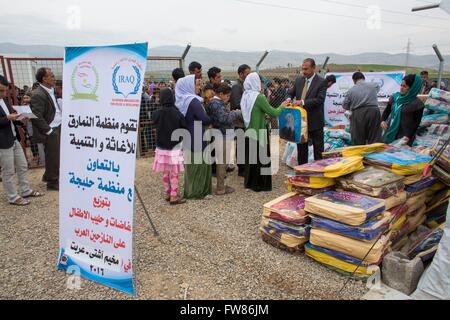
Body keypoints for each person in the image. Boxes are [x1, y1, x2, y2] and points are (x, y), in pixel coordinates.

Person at [0, 75, 43, 205]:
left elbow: (11, 118)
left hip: (13, 138)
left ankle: (25, 190)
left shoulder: (4, 101)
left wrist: (20, 120)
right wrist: (8, 118)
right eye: (1, 90)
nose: (4, 93)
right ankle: (13, 197)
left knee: (23, 165)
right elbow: (6, 119)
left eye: (5, 90)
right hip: (2, 142)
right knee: (8, 171)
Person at [241, 72, 287, 192]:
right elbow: (274, 112)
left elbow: (253, 112)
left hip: (249, 132)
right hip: (259, 132)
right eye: (261, 82)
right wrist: (282, 105)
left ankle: (250, 183)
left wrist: (263, 115)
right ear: (256, 82)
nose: (262, 84)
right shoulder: (259, 97)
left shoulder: (246, 95)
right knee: (261, 160)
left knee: (251, 160)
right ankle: (260, 184)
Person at [175, 75, 213, 199]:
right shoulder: (193, 100)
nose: (199, 87)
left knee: (191, 166)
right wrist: (212, 118)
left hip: (187, 134)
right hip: (197, 134)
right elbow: (204, 118)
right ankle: (198, 192)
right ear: (188, 86)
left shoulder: (181, 100)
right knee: (200, 164)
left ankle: (190, 190)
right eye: (196, 85)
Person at [152, 88, 187, 205]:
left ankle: (167, 193)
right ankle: (174, 196)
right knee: (174, 173)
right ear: (172, 98)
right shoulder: (177, 113)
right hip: (174, 148)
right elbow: (184, 127)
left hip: (161, 148)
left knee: (165, 172)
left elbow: (153, 123)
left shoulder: (156, 113)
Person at [289, 58, 328, 164]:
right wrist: (288, 100)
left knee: (318, 150)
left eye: (306, 69)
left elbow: (320, 100)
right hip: (301, 121)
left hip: (315, 122)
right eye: (302, 69)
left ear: (314, 68)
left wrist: (302, 102)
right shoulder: (299, 80)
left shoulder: (321, 82)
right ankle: (303, 172)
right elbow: (290, 93)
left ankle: (318, 173)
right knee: (302, 150)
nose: (304, 71)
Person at [30, 67, 62, 191]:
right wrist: (49, 131)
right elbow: (36, 116)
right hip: (51, 130)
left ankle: (50, 176)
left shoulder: (50, 90)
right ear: (44, 78)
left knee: (57, 155)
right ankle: (52, 183)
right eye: (52, 76)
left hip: (58, 126)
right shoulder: (38, 94)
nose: (54, 78)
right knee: (53, 157)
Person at [207, 83, 242, 195]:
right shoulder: (216, 104)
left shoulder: (215, 102)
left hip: (221, 134)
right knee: (222, 162)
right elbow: (224, 119)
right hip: (222, 135)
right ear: (221, 94)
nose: (228, 98)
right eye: (227, 96)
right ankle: (221, 188)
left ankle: (220, 185)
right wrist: (235, 113)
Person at [381, 74, 424, 146]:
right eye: (401, 85)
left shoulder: (417, 104)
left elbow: (416, 123)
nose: (401, 88)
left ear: (412, 88)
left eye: (405, 86)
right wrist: (382, 121)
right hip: (390, 133)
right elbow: (387, 111)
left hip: (404, 138)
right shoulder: (395, 97)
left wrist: (408, 136)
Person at [342, 72, 382, 145]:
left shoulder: (351, 91)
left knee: (358, 138)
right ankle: (374, 155)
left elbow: (345, 105)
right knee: (374, 138)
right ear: (364, 78)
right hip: (374, 111)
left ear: (354, 80)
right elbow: (377, 89)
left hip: (358, 114)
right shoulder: (374, 85)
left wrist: (352, 106)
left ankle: (360, 155)